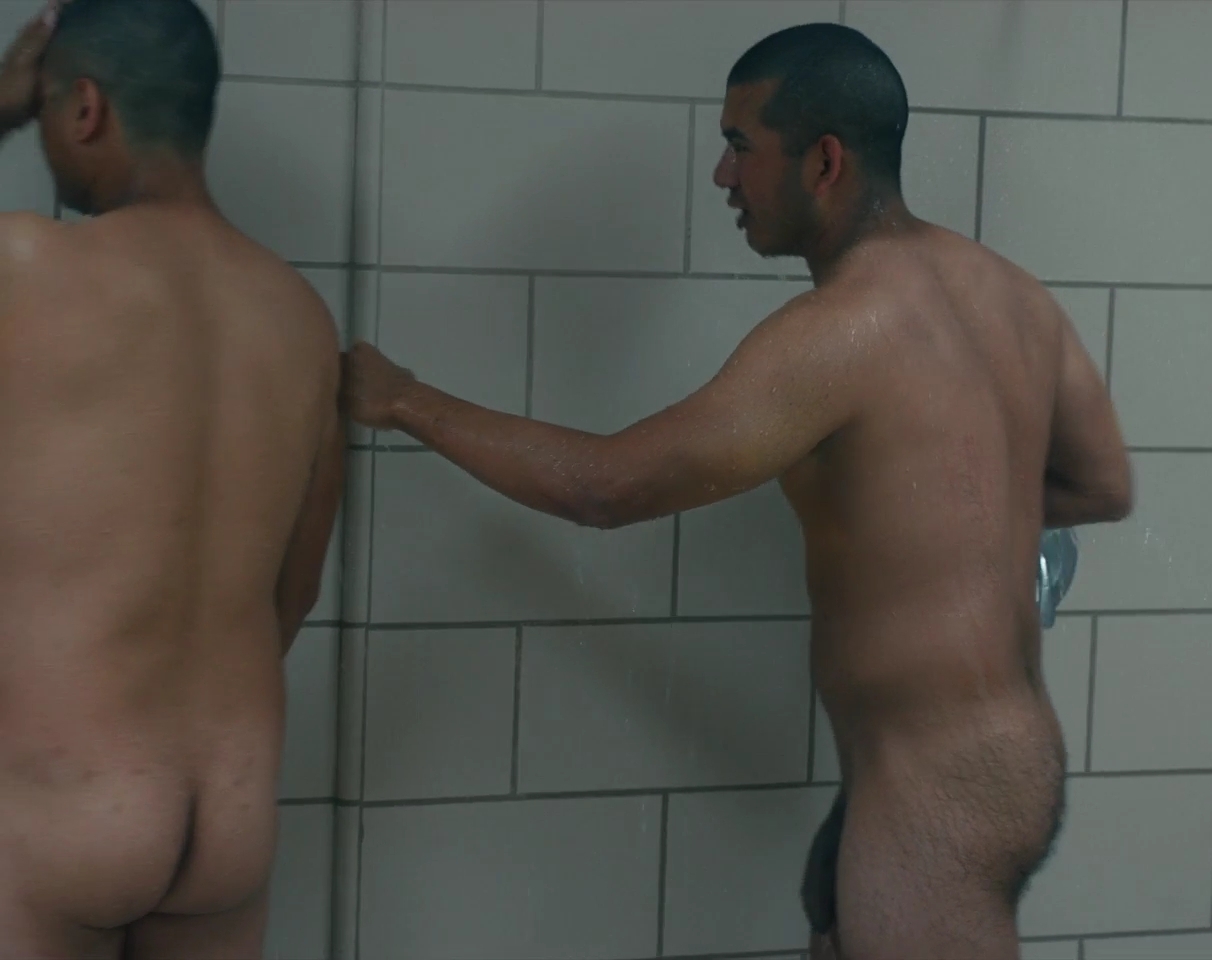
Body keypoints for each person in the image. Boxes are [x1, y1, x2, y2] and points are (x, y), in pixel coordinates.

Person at [342, 21, 1132, 960]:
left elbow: (605, 488)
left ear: (825, 161)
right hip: (998, 758)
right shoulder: (1013, 296)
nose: (723, 175)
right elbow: (1102, 484)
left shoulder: (836, 333)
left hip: (935, 796)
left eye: (739, 146)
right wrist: (966, 521)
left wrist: (404, 400)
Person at [0, 0, 346, 955]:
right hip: (226, 819)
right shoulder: (298, 313)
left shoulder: (26, 265)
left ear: (83, 109)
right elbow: (296, 590)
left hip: (61, 811)